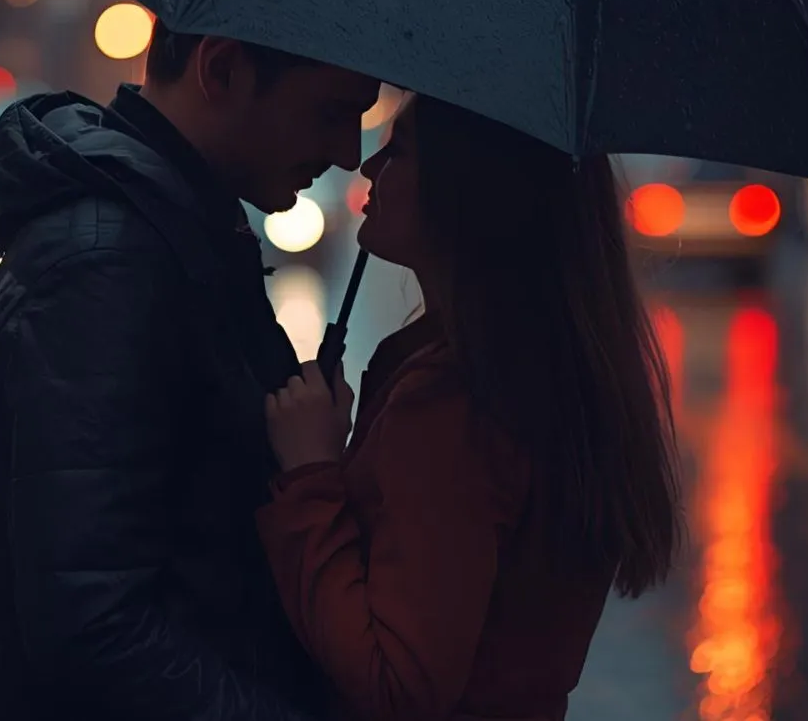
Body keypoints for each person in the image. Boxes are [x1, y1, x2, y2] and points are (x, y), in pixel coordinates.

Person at [0, 19, 380, 719]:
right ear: (222, 70)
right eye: (330, 114)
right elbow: (94, 627)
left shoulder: (182, 238)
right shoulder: (109, 265)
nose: (347, 153)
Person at [257, 95, 684, 721]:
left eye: (398, 150)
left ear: (471, 193)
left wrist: (310, 477)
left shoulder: (456, 404)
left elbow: (395, 686)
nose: (370, 167)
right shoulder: (535, 370)